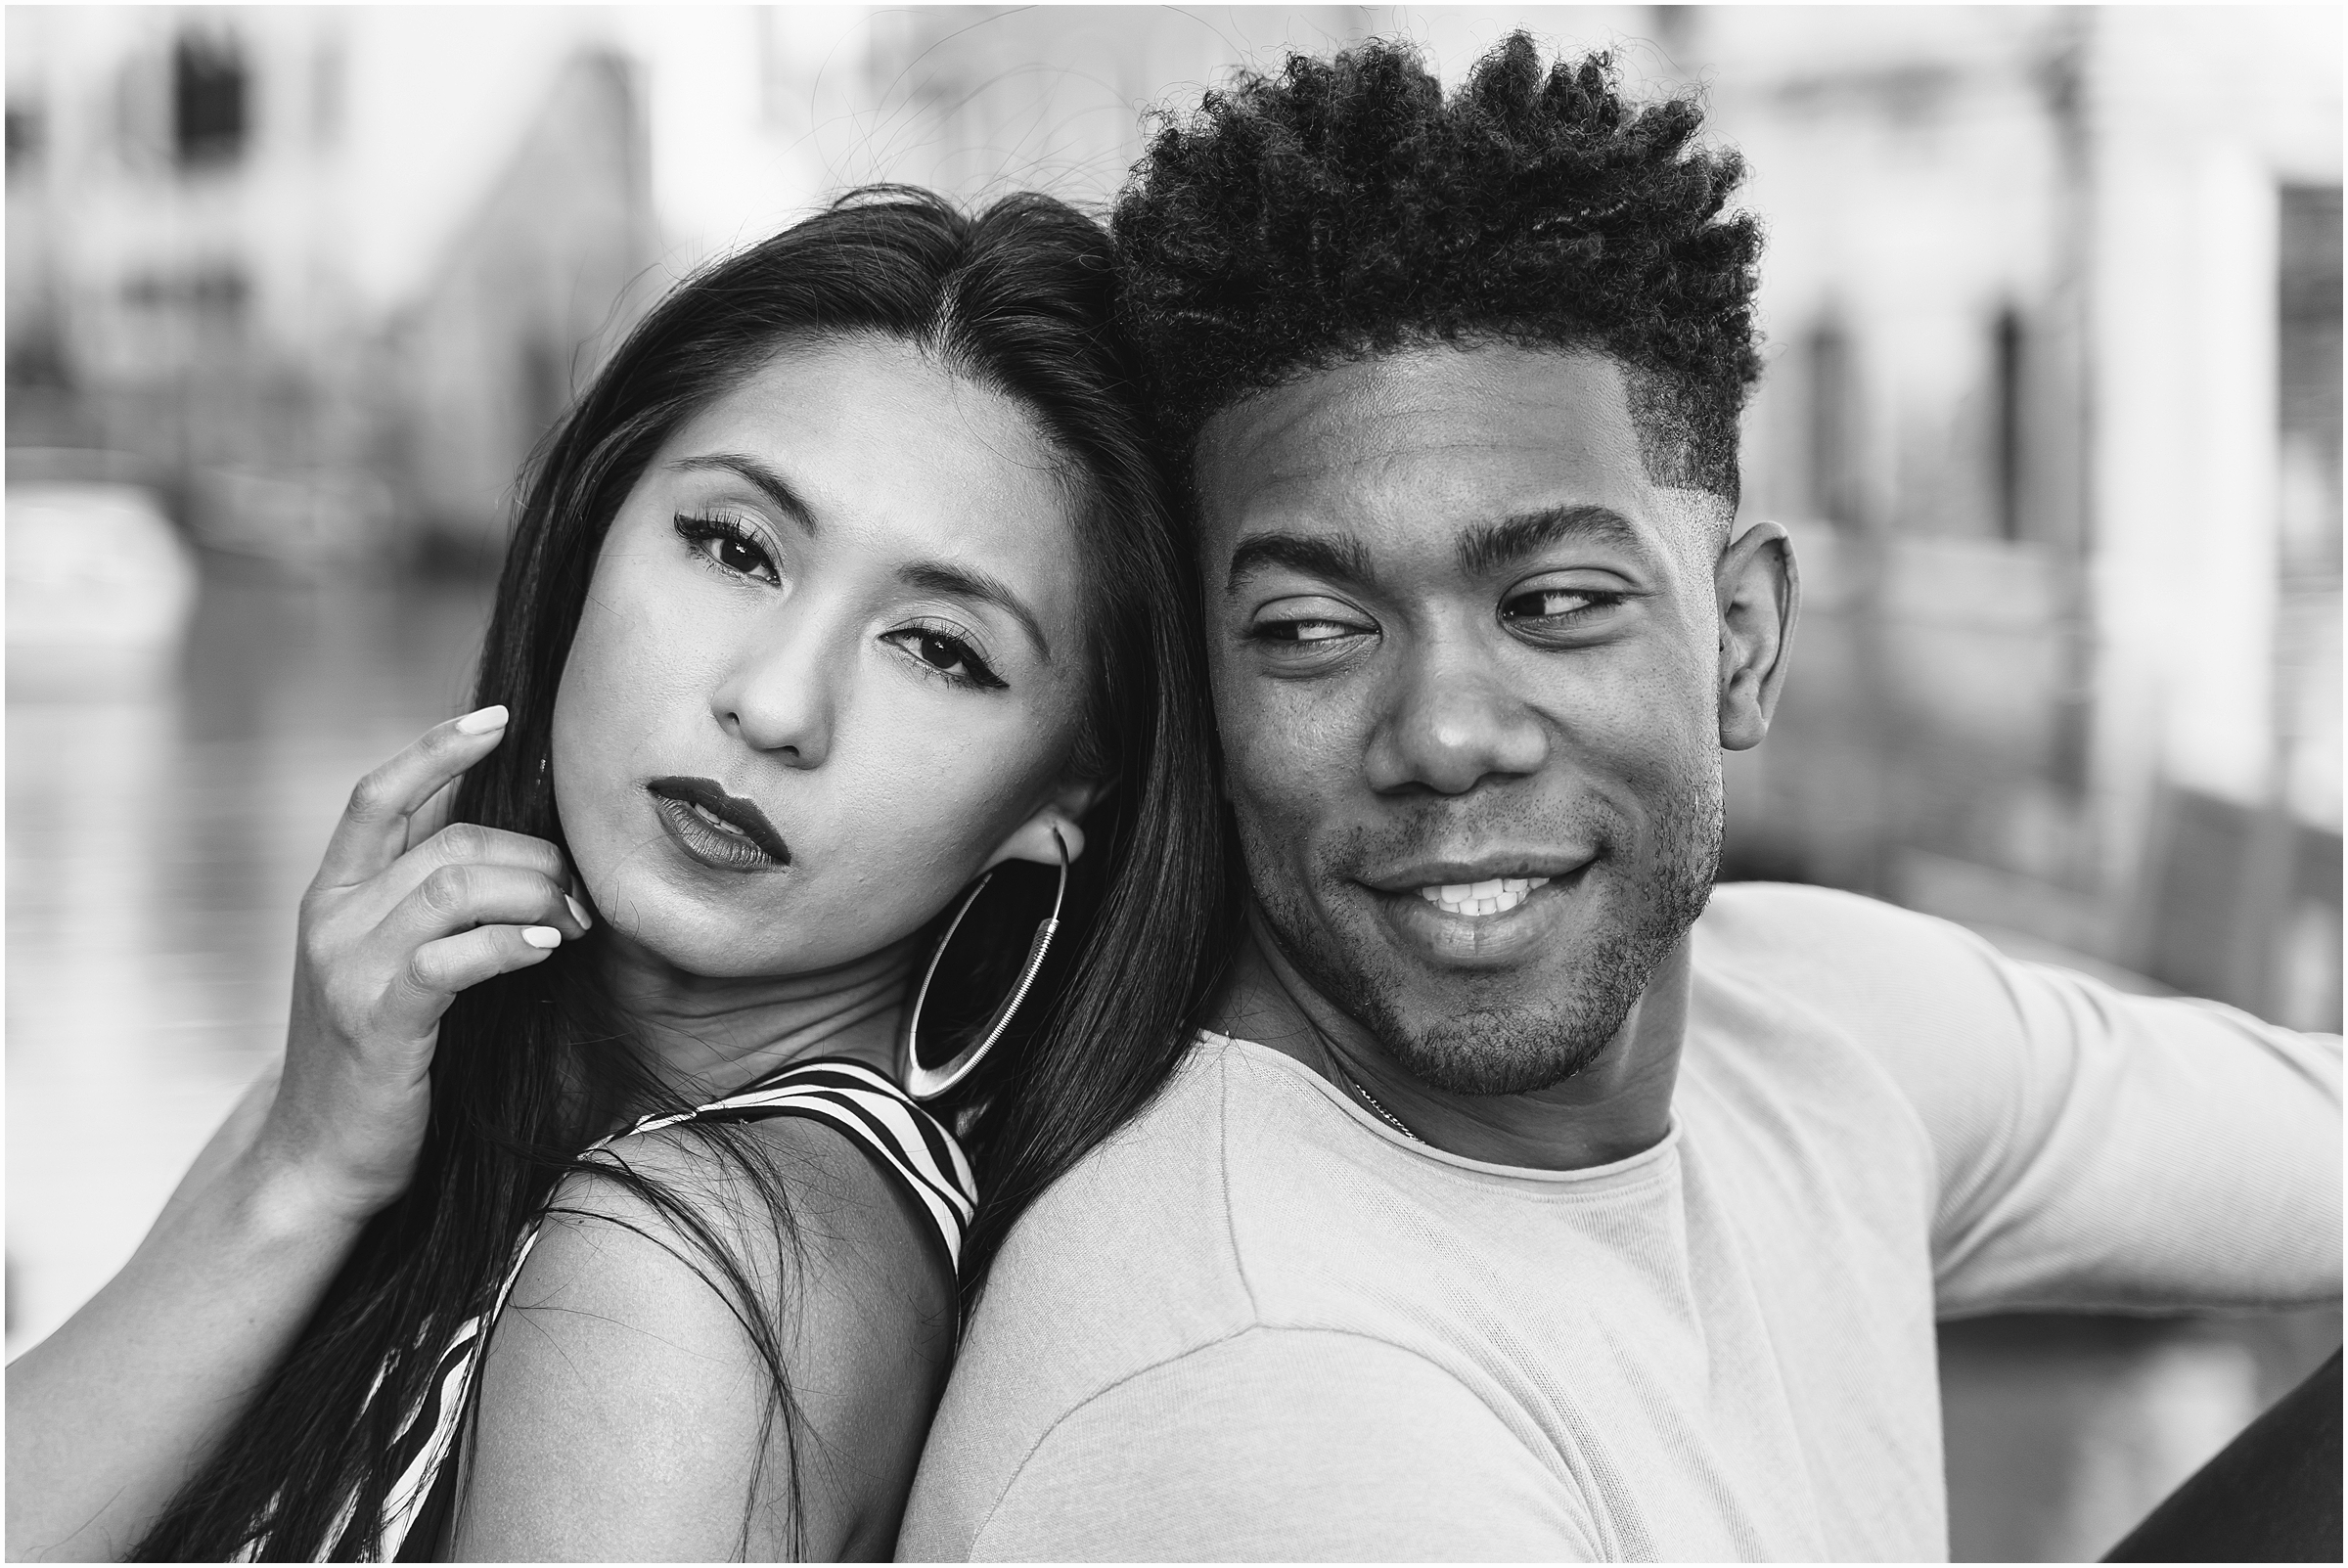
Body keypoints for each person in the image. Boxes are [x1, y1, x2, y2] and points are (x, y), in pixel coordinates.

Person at [898, 36, 2344, 1560]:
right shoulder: (1267, 1398)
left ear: (1743, 643)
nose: (1448, 734)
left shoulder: (1817, 1039)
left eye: (1557, 601)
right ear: (1207, 698)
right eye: (1313, 631)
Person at [4, 189, 1228, 1561]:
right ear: (593, 532)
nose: (774, 704)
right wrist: (299, 1166)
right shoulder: (380, 1114)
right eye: (733, 546)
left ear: (1065, 794)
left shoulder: (691, 1266)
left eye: (938, 647)